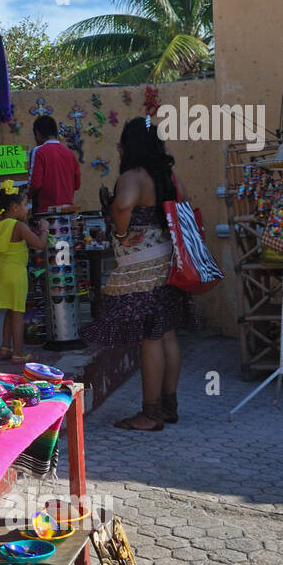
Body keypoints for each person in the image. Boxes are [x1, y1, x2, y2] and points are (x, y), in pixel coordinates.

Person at [81, 117, 198, 430]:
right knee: (168, 333)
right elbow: (185, 204)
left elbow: (123, 206)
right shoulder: (169, 176)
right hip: (168, 261)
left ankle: (151, 414)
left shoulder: (132, 177)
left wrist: (120, 232)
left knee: (150, 336)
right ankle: (169, 406)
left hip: (142, 265)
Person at [0, 180, 48, 362]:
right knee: (18, 312)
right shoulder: (19, 227)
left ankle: (5, 348)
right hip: (16, 274)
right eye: (24, 204)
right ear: (14, 207)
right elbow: (40, 243)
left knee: (9, 311)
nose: (27, 208)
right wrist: (44, 228)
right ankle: (18, 352)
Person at [27, 114, 80, 214]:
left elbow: (35, 184)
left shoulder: (39, 151)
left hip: (45, 212)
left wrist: (25, 196)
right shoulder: (69, 153)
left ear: (37, 133)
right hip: (67, 210)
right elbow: (77, 184)